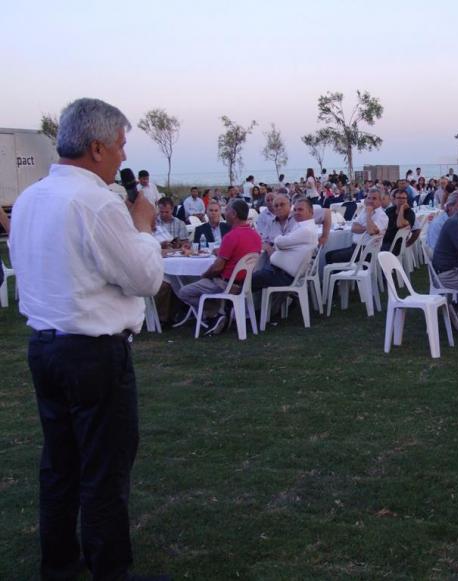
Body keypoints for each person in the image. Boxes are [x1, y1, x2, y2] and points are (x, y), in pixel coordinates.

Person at [10, 98, 168, 580]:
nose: (124, 157)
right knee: (104, 469)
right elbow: (145, 279)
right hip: (93, 355)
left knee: (59, 465)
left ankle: (58, 565)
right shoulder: (97, 202)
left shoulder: (31, 197)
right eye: (121, 146)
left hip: (45, 347)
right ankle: (110, 571)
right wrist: (143, 227)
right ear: (97, 147)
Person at [177, 199, 262, 335]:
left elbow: (217, 268)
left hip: (225, 284)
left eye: (226, 210)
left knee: (184, 292)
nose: (224, 213)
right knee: (205, 284)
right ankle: (219, 313)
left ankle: (215, 314)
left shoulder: (231, 236)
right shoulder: (255, 236)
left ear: (233, 214)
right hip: (244, 283)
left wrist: (205, 275)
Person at [251, 198, 318, 292]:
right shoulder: (302, 226)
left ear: (311, 211)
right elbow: (279, 242)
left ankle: (233, 300)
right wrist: (281, 243)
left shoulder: (305, 230)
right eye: (295, 210)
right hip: (283, 271)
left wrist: (278, 241)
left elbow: (279, 242)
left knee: (251, 279)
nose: (296, 212)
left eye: (300, 210)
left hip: (286, 276)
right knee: (256, 277)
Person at [324, 188, 388, 264]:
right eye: (368, 198)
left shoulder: (382, 216)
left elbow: (371, 231)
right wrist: (366, 227)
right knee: (328, 254)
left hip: (367, 251)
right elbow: (353, 228)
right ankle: (340, 275)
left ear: (380, 201)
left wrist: (368, 215)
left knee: (333, 257)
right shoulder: (364, 211)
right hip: (356, 248)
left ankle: (343, 275)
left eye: (374, 198)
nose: (370, 201)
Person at [382, 188, 415, 254]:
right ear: (394, 199)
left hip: (396, 244)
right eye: (399, 198)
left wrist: (402, 208)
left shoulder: (409, 213)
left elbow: (400, 224)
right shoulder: (389, 210)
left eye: (404, 198)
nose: (401, 200)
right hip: (383, 239)